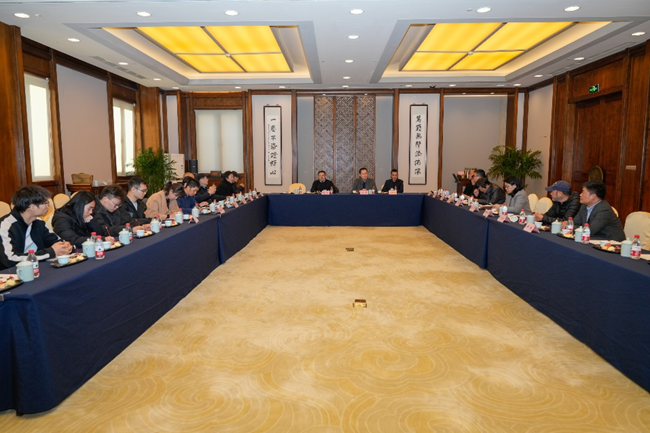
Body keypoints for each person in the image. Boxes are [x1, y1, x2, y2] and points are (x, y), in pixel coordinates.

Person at [0, 185, 72, 270]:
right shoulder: (5, 225)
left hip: (36, 268)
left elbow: (55, 240)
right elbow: (10, 259)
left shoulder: (38, 222)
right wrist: (50, 252)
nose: (48, 206)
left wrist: (65, 246)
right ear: (32, 207)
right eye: (45, 203)